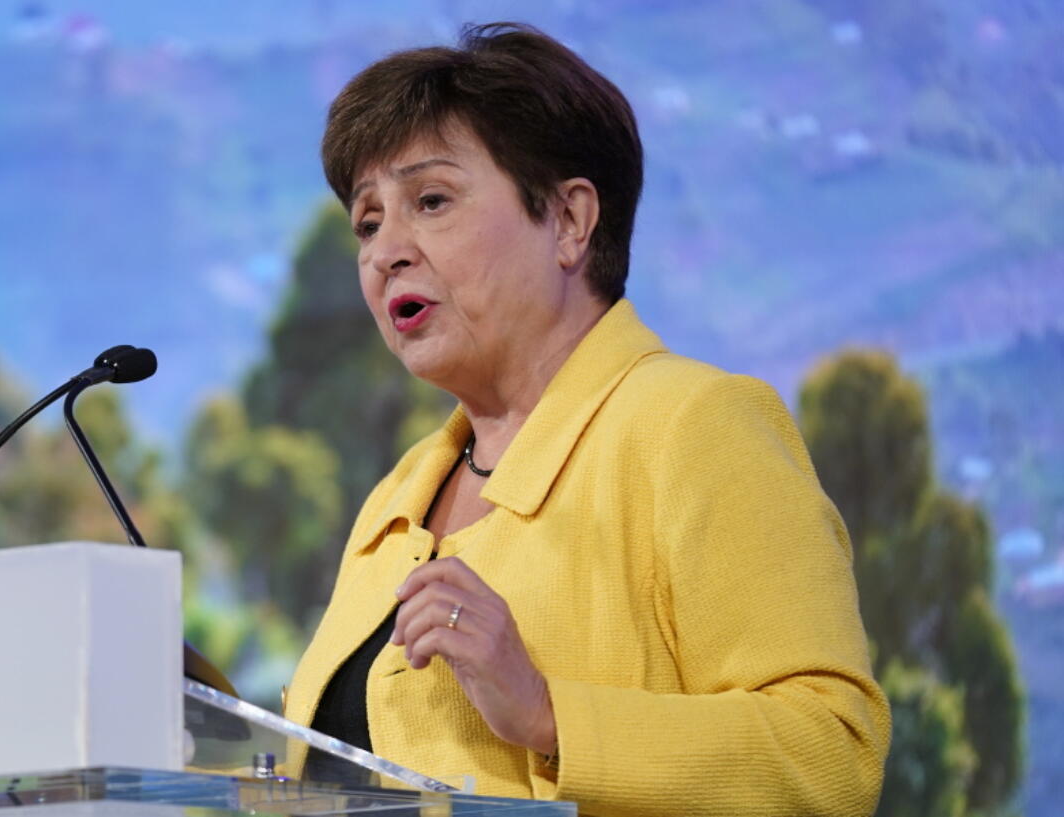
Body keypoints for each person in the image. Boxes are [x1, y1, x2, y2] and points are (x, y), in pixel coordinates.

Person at [282, 22, 890, 817]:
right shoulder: (395, 503)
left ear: (569, 221)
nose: (385, 250)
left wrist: (548, 713)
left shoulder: (694, 427)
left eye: (430, 201)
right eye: (367, 221)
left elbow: (833, 753)